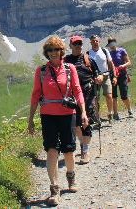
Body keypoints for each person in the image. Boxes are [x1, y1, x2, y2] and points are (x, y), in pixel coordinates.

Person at [28, 36, 88, 205]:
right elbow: (35, 95)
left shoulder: (70, 69)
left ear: (62, 51)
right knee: (52, 150)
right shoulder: (41, 71)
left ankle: (71, 177)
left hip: (68, 114)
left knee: (68, 150)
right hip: (48, 115)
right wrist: (31, 119)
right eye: (50, 50)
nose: (53, 53)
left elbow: (77, 91)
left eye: (56, 49)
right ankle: (54, 188)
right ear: (46, 53)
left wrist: (83, 112)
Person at [63, 35, 102, 164]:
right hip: (72, 97)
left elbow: (98, 73)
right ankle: (82, 144)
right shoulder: (65, 61)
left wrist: (100, 78)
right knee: (75, 124)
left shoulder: (88, 59)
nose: (78, 46)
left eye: (80, 44)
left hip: (88, 93)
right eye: (75, 44)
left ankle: (85, 151)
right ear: (70, 46)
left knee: (86, 121)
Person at [88, 35, 116, 124]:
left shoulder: (104, 51)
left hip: (106, 75)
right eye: (93, 41)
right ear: (91, 43)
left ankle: (110, 114)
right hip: (95, 78)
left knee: (109, 95)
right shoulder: (88, 53)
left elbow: (110, 63)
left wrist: (114, 76)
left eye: (96, 41)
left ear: (99, 41)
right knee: (96, 98)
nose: (95, 42)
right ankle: (97, 117)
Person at [107, 37, 133, 119]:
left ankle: (129, 110)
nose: (111, 46)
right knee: (114, 95)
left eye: (112, 44)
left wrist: (123, 66)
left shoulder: (122, 51)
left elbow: (129, 62)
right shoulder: (109, 54)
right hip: (112, 76)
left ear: (115, 43)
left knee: (124, 94)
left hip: (122, 75)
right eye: (110, 45)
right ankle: (115, 113)